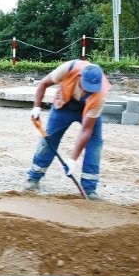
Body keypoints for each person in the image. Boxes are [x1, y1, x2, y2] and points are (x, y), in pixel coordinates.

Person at [24, 60, 111, 201]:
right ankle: (33, 178)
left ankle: (89, 190)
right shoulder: (68, 68)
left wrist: (72, 160)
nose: (88, 90)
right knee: (49, 139)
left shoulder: (99, 94)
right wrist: (36, 108)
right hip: (64, 104)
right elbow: (43, 84)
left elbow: (86, 130)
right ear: (80, 76)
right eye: (86, 86)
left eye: (92, 88)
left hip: (88, 109)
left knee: (95, 144)